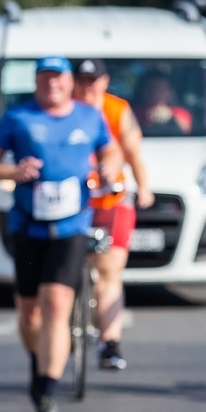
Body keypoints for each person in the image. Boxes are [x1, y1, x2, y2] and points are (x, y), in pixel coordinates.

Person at [0, 57, 122, 412]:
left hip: (71, 227)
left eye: (58, 79)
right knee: (30, 312)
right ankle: (40, 358)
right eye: (44, 79)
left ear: (70, 83)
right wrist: (12, 171)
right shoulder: (19, 118)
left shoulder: (89, 116)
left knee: (57, 303)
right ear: (37, 82)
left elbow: (111, 149)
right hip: (29, 228)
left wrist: (108, 165)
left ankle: (46, 390)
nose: (51, 86)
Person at [75, 59, 154, 371]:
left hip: (111, 200)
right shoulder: (63, 110)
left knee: (109, 272)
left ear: (104, 81)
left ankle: (109, 342)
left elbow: (133, 152)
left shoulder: (117, 110)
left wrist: (144, 187)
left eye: (93, 80)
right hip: (73, 204)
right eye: (82, 80)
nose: (88, 86)